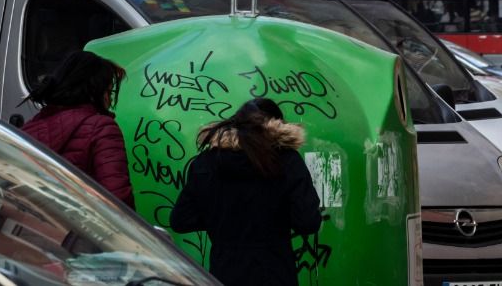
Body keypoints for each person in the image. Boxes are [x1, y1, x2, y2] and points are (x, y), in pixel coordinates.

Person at [170, 97, 324, 286]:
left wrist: (220, 218)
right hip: (275, 274)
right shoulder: (287, 161)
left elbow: (180, 220)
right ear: (277, 126)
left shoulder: (206, 162)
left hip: (223, 274)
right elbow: (308, 222)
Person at [21, 50, 133, 203]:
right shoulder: (102, 129)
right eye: (109, 91)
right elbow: (118, 201)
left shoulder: (33, 125)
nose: (110, 100)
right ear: (96, 91)